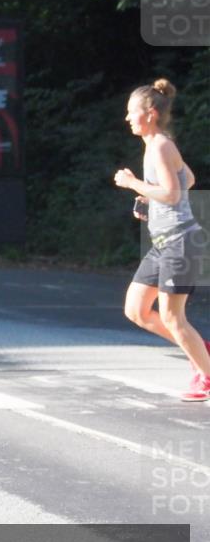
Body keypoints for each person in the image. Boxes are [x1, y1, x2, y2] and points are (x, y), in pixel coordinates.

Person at [115, 78, 210, 401]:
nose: (127, 118)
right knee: (137, 310)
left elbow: (171, 193)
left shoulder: (161, 145)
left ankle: (207, 373)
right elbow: (189, 178)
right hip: (164, 243)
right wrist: (150, 202)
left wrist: (134, 184)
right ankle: (201, 351)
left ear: (151, 113)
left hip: (181, 242)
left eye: (132, 112)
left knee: (172, 316)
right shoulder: (156, 145)